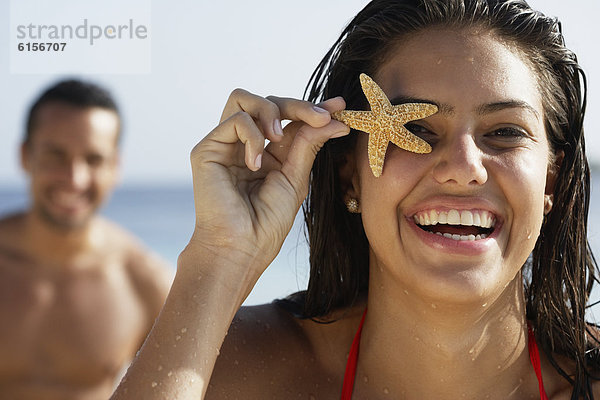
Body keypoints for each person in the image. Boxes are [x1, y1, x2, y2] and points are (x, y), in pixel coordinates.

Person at [112, 0, 599, 398]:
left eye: (504, 132)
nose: (464, 167)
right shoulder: (241, 369)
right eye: (416, 130)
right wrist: (221, 254)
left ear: (551, 182)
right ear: (350, 177)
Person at [0, 79, 172, 399]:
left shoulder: (144, 282)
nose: (75, 178)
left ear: (115, 167)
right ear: (25, 156)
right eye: (56, 156)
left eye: (93, 159)